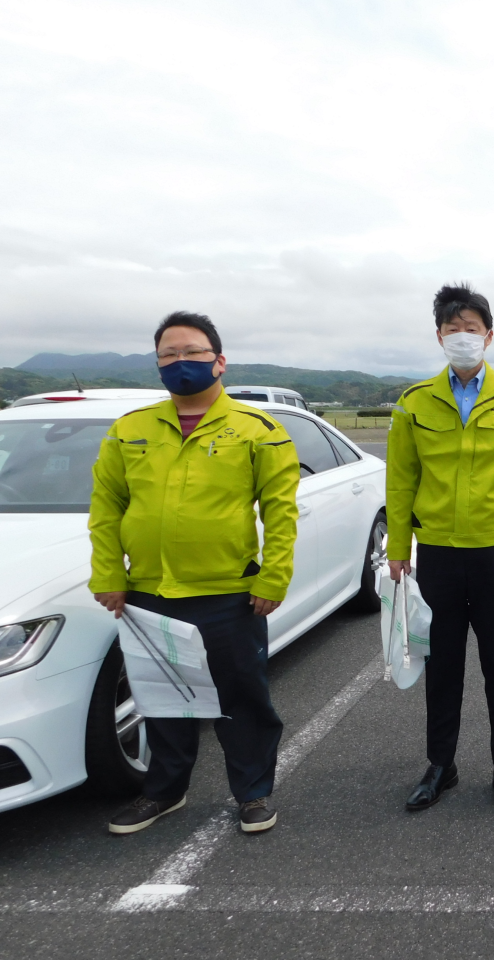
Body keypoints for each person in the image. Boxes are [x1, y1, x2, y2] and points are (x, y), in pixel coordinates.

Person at [89, 312, 299, 835]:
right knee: (163, 696)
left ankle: (253, 792)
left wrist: (272, 579)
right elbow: (106, 507)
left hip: (229, 592)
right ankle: (164, 791)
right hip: (148, 592)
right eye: (169, 355)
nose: (180, 363)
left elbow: (280, 512)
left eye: (192, 353)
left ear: (219, 362)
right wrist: (108, 574)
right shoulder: (129, 430)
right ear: (158, 365)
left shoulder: (259, 430)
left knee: (241, 699)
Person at [387, 283, 494, 816]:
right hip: (437, 552)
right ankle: (442, 764)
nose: (463, 337)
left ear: (489, 335)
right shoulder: (414, 403)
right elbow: (400, 480)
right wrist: (398, 545)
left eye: (472, 329)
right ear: (439, 336)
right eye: (453, 329)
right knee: (444, 663)